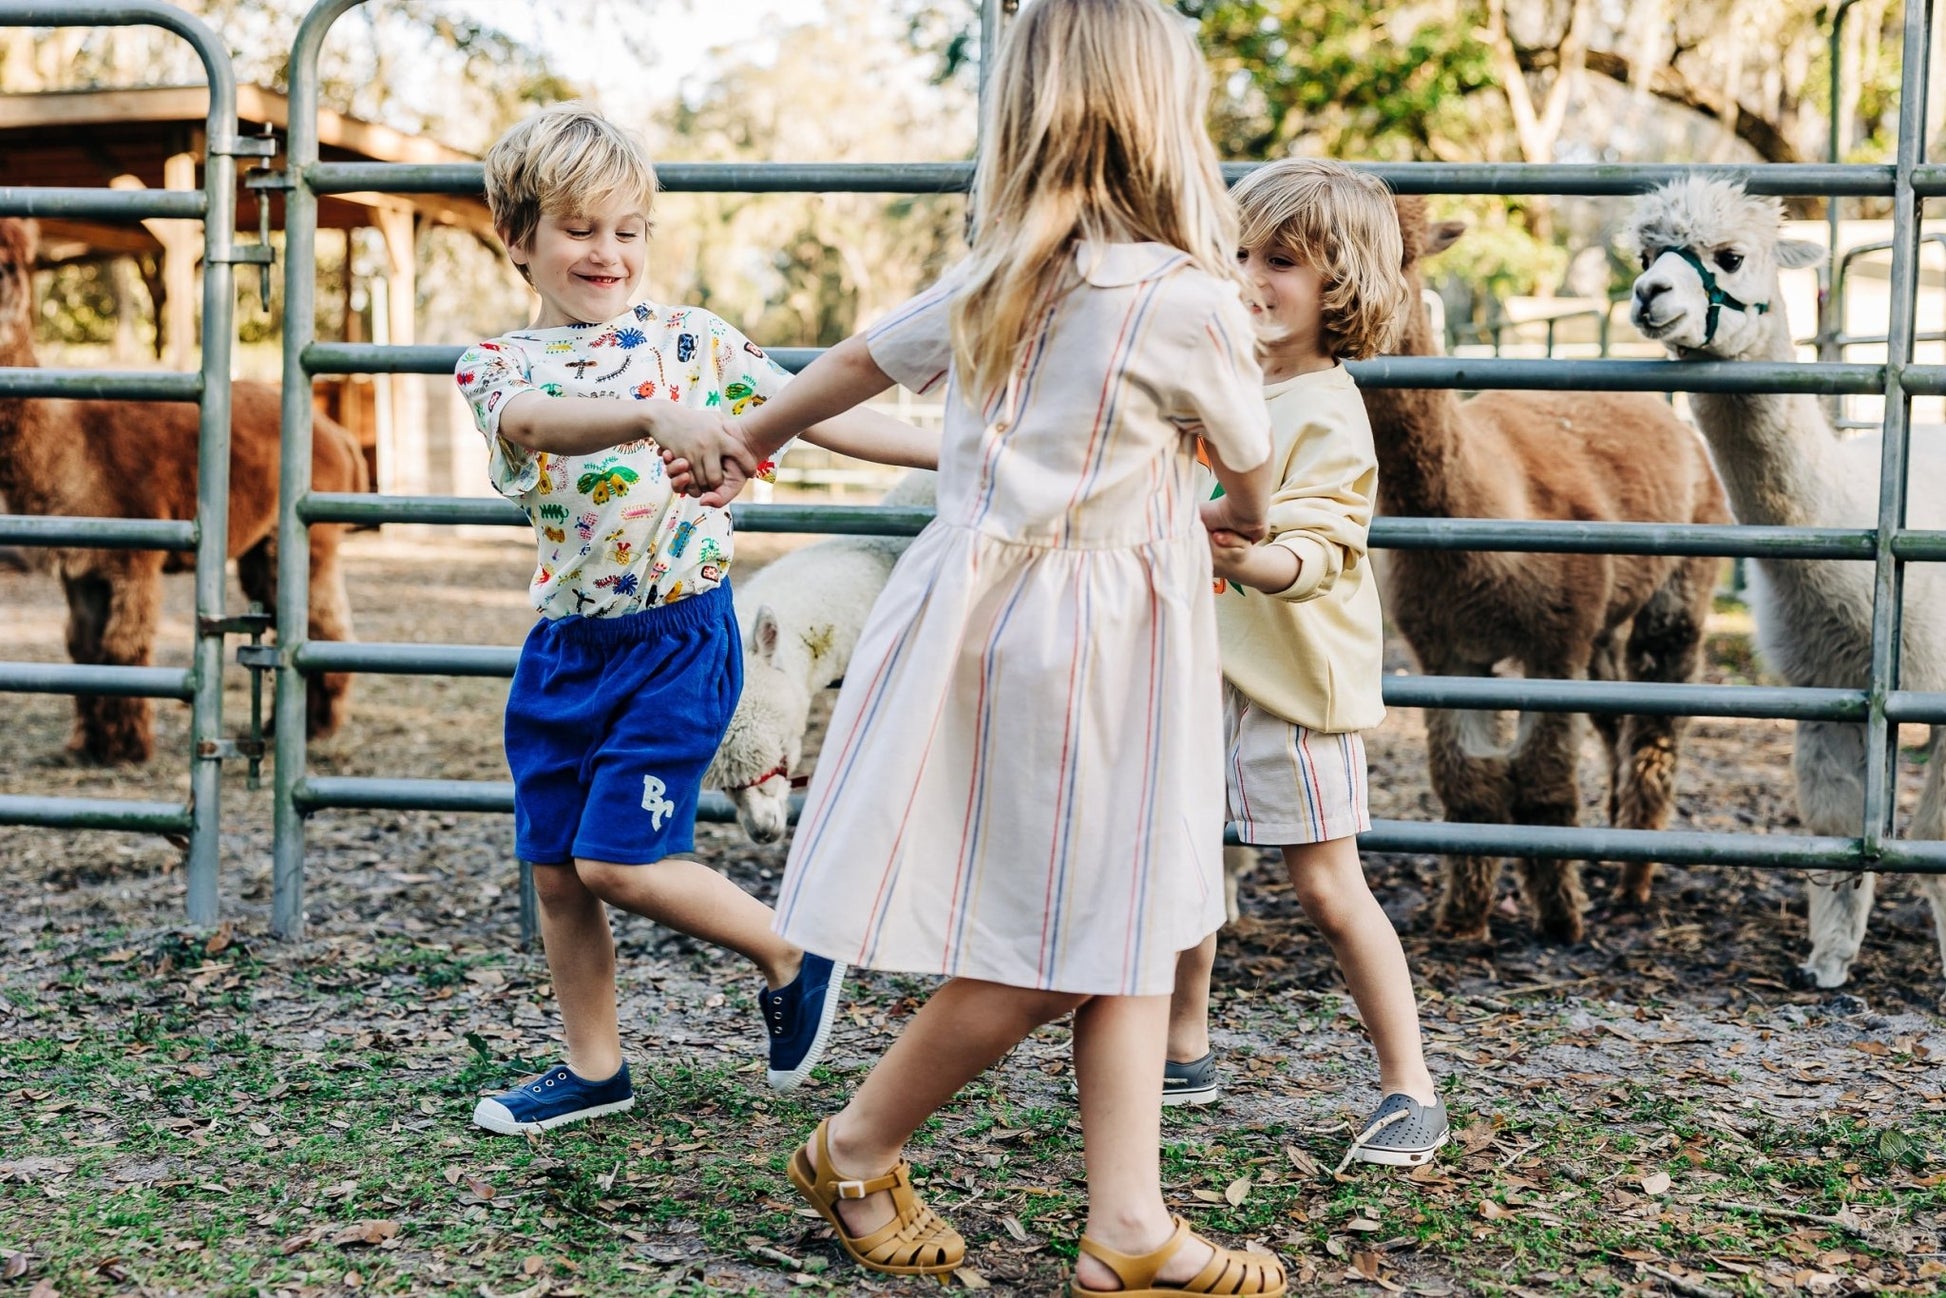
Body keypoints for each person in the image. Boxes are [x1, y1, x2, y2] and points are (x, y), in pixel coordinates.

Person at [667, 1, 1286, 1290]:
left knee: (1123, 916)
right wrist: (1241, 521)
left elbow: (853, 360)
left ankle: (1127, 1221)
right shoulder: (1188, 298)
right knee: (1059, 938)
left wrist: (750, 435)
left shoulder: (1005, 268)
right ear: (1166, 120)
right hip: (1096, 646)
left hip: (985, 619)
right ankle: (856, 1143)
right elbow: (1248, 458)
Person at [454, 103, 936, 1135]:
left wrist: (950, 453)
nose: (607, 251)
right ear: (518, 241)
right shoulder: (497, 365)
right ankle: (594, 1067)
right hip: (565, 650)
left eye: (628, 229)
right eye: (580, 228)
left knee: (617, 859)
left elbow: (820, 405)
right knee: (554, 867)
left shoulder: (693, 340)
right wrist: (647, 415)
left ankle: (791, 948)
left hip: (678, 639)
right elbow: (532, 426)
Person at [1164, 157, 1448, 1171]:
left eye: (1279, 260)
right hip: (1189, 665)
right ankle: (1180, 1046)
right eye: (1236, 253)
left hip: (1290, 680)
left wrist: (1260, 555)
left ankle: (1407, 1081)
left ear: (1344, 285)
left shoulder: (1325, 405)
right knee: (1180, 867)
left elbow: (1324, 541)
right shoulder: (1209, 381)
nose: (1249, 277)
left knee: (1327, 885)